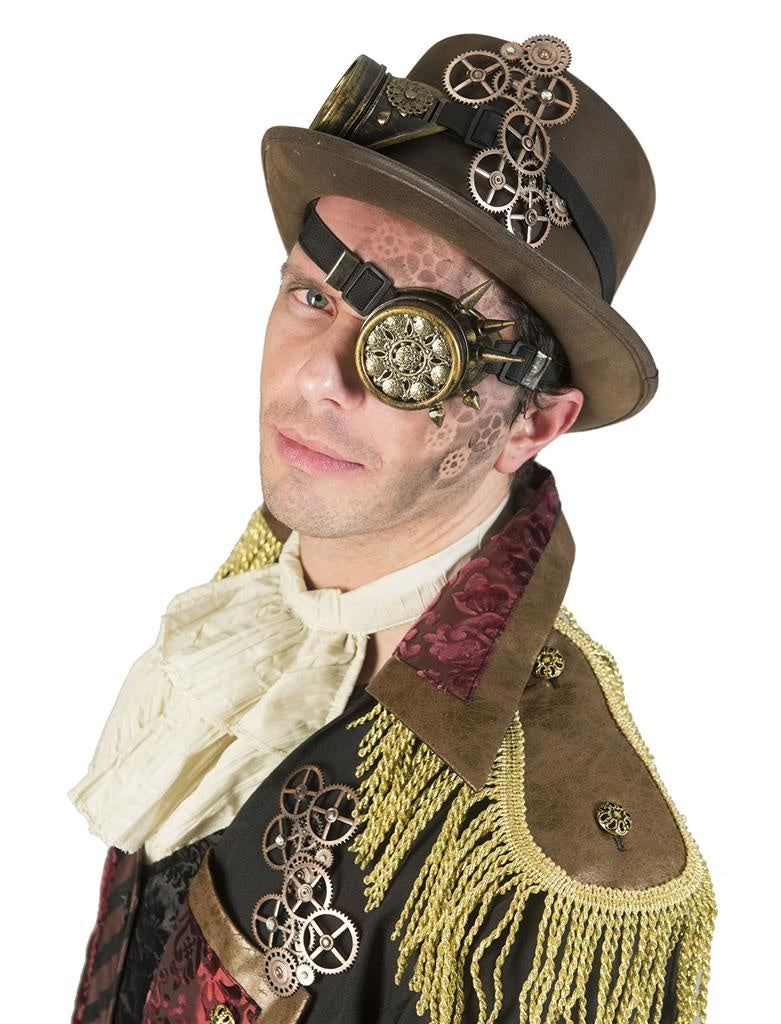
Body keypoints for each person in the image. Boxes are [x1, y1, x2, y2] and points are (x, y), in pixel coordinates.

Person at [68, 31, 717, 1024]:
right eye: (311, 296)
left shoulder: (543, 873)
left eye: (413, 347)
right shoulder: (251, 619)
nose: (319, 379)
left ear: (533, 424)